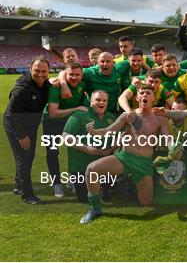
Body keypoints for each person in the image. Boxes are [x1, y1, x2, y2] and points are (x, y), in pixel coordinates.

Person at [81, 84, 171, 223]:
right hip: (124, 158)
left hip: (144, 163)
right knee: (91, 169)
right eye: (142, 93)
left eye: (148, 93)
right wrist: (94, 132)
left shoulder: (161, 119)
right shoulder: (128, 115)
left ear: (154, 98)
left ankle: (128, 184)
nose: (145, 95)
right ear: (137, 97)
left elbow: (168, 138)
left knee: (146, 202)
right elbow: (109, 130)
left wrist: (173, 148)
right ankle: (94, 208)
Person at [4, 56, 51, 204]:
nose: (40, 74)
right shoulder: (20, 90)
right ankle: (27, 194)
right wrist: (21, 135)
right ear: (30, 68)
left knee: (27, 157)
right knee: (24, 160)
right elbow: (10, 116)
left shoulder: (45, 84)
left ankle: (19, 185)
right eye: (37, 70)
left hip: (30, 126)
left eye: (44, 71)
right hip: (16, 127)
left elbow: (54, 84)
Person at [62, 90, 116, 202]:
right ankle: (75, 182)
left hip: (103, 165)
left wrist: (110, 149)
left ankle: (106, 187)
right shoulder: (79, 115)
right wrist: (87, 149)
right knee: (84, 199)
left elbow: (119, 138)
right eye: (98, 100)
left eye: (104, 100)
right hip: (81, 166)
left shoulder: (111, 117)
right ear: (91, 101)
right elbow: (65, 136)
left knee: (104, 196)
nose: (101, 102)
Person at [43, 62, 87, 197]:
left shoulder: (84, 83)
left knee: (76, 150)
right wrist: (76, 109)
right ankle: (57, 184)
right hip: (52, 122)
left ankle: (72, 180)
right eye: (71, 74)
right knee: (52, 152)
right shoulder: (56, 86)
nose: (74, 77)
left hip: (71, 120)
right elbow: (53, 113)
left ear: (82, 75)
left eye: (77, 75)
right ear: (65, 75)